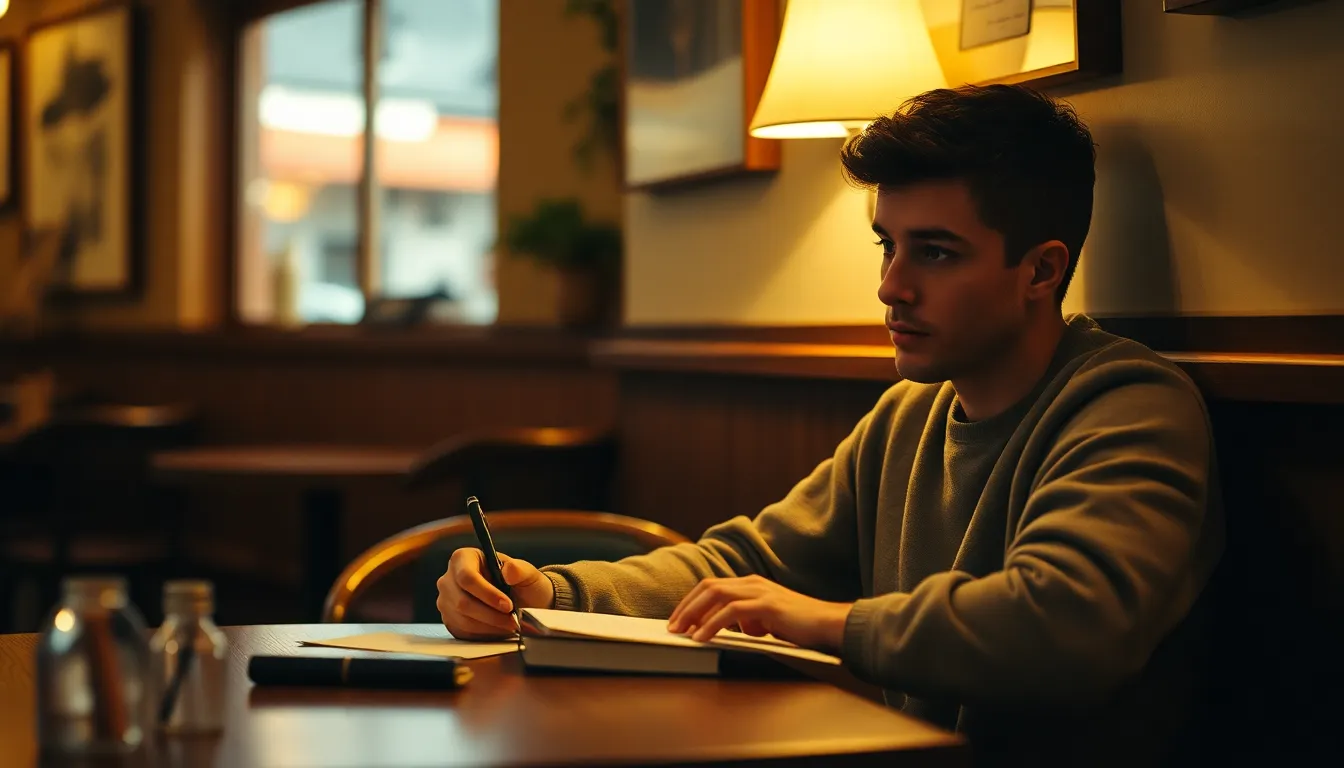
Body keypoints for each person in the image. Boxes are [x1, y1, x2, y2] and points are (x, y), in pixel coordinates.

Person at [437, 84, 1224, 765]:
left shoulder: (1129, 406)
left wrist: (827, 622)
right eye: (888, 245)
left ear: (1042, 270)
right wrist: (549, 592)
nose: (890, 286)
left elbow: (1068, 621)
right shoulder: (910, 413)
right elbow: (747, 562)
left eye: (937, 254)